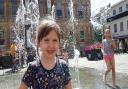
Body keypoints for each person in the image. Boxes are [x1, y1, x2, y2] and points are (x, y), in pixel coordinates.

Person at [19, 19, 72, 89]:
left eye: (55, 40)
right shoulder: (33, 68)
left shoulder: (64, 66)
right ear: (39, 43)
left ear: (59, 43)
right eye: (46, 40)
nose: (51, 45)